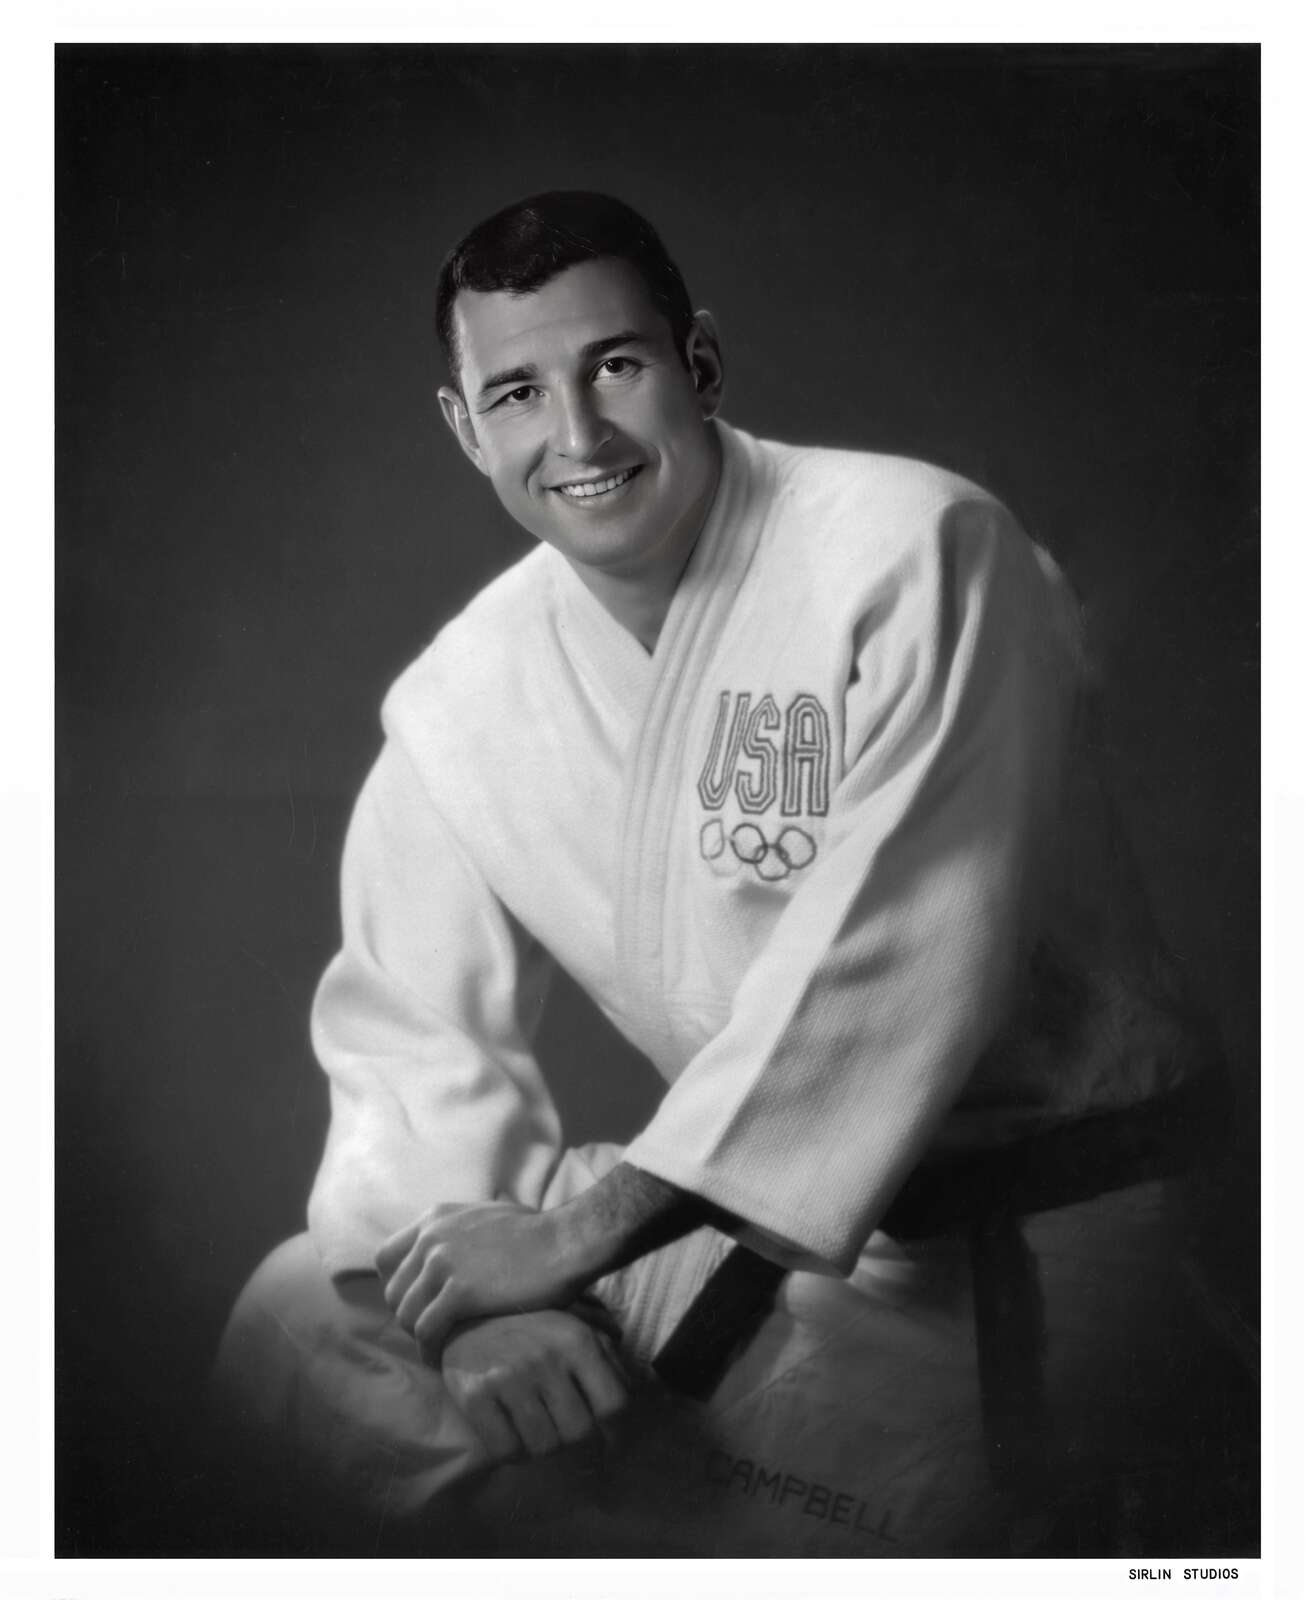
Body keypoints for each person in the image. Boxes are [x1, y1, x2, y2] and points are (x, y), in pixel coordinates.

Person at [211, 191, 1229, 1557]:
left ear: (697, 360)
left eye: (614, 366)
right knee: (299, 1317)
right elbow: (408, 1041)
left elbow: (891, 966)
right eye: (516, 392)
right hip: (716, 1224)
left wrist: (575, 1241)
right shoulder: (463, 695)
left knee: (850, 1528)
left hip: (1039, 1231)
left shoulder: (916, 547)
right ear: (464, 427)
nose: (576, 435)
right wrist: (479, 1313)